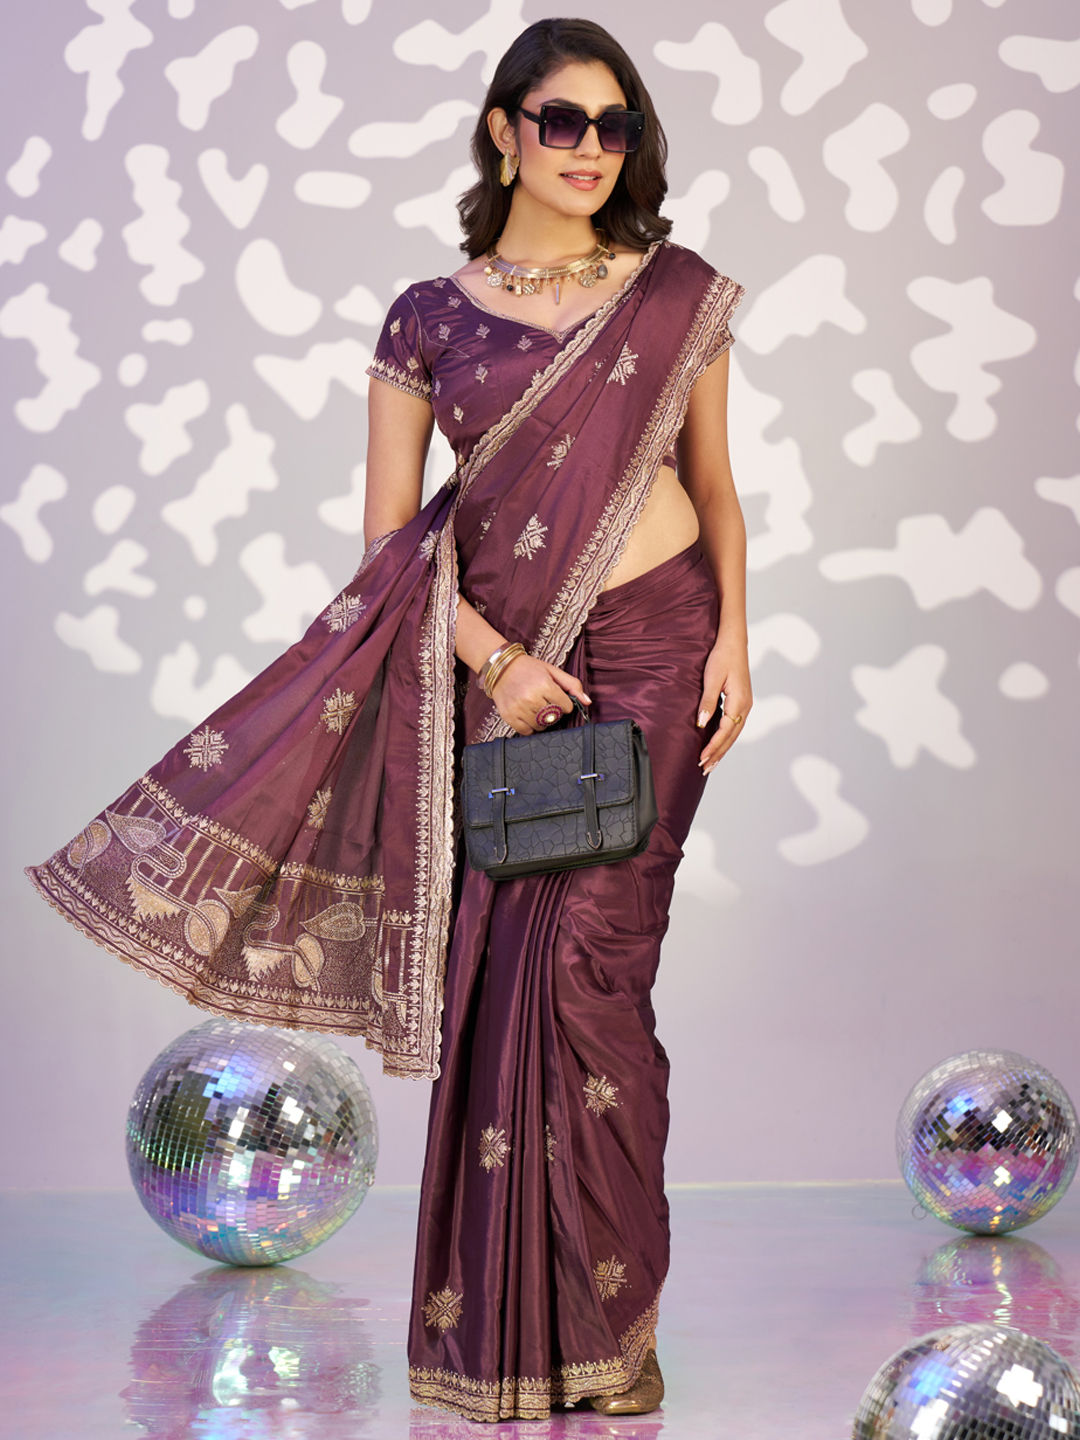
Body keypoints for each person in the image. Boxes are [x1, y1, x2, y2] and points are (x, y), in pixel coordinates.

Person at [27, 17, 751, 1424]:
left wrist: (738, 634)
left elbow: (717, 488)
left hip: (662, 648)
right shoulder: (429, 317)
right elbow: (387, 547)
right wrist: (495, 662)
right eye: (562, 121)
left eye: (614, 127)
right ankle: (517, 1339)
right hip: (505, 674)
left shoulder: (677, 295)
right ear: (504, 131)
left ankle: (615, 1321)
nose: (590, 150)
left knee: (597, 973)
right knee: (506, 977)